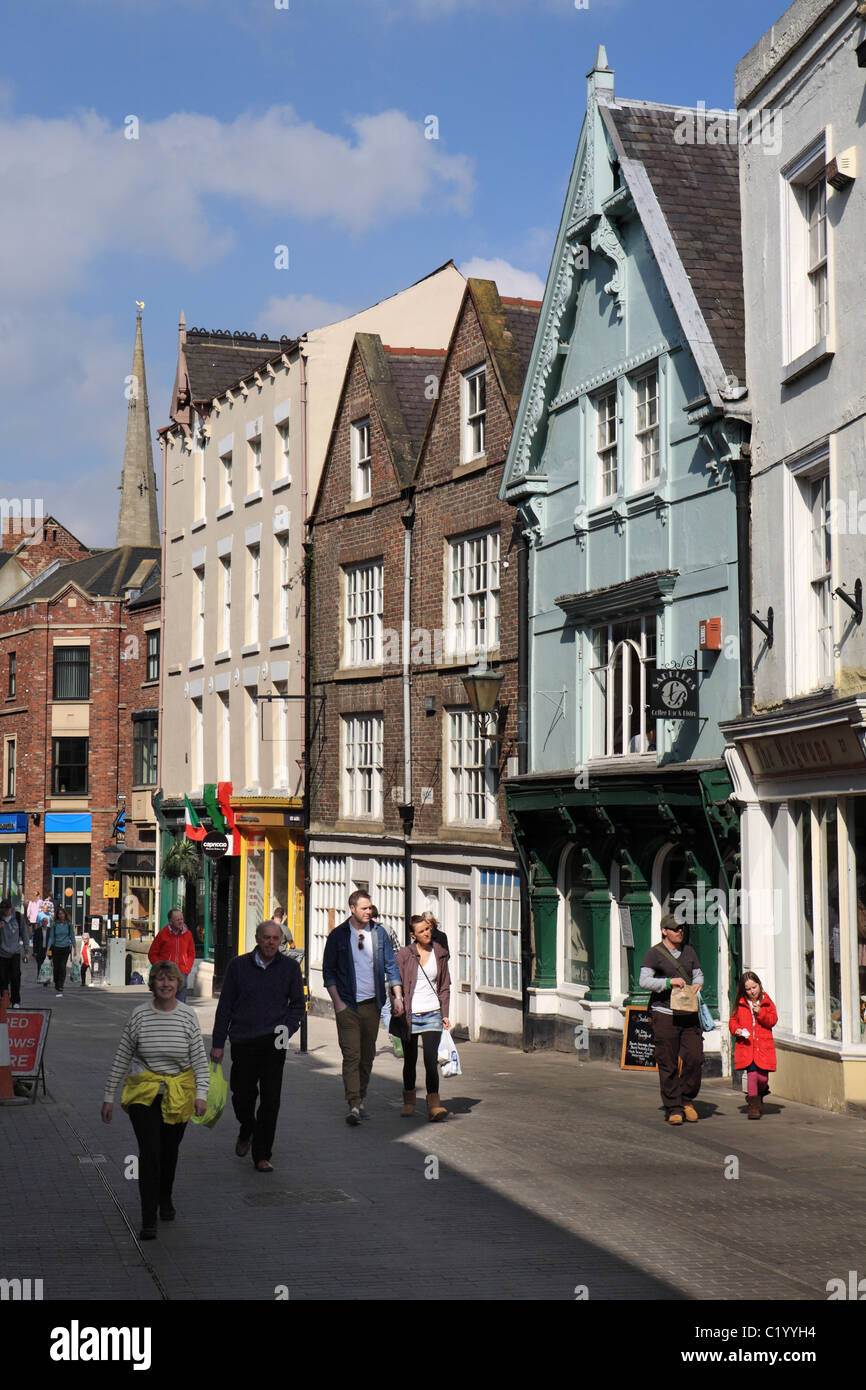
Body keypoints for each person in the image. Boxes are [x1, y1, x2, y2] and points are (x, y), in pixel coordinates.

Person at [102, 961, 209, 1239]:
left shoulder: (187, 1016)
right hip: (144, 1092)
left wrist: (201, 1095)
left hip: (178, 1092)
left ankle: (165, 1197)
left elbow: (199, 1057)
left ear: (178, 984)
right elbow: (122, 1056)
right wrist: (108, 1096)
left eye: (171, 980)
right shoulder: (138, 1015)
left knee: (169, 1152)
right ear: (152, 984)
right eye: (160, 979)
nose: (165, 984)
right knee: (149, 1153)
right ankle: (148, 1218)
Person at [210, 920, 304, 1172]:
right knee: (242, 1096)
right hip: (243, 1040)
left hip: (275, 1042)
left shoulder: (290, 968)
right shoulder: (238, 966)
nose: (271, 943)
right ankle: (247, 1128)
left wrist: (286, 1030)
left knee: (271, 1100)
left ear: (281, 941)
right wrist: (218, 1043)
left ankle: (262, 1153)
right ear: (257, 938)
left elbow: (297, 1005)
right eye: (266, 938)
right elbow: (225, 1007)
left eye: (276, 938)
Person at [322, 890, 404, 1125]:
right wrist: (337, 1003)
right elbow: (329, 972)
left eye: (370, 908)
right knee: (352, 1055)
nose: (369, 912)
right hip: (347, 1004)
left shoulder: (379, 934)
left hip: (373, 1003)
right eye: (364, 908)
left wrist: (397, 996)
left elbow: (391, 966)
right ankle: (354, 1104)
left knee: (367, 1056)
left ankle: (361, 1097)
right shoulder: (338, 936)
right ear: (352, 909)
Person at [639, 913, 704, 1125]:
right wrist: (668, 983)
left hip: (688, 1013)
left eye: (682, 928)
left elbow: (698, 974)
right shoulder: (654, 954)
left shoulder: (689, 951)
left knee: (695, 1057)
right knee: (667, 1061)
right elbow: (644, 981)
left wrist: (698, 983)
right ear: (664, 931)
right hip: (664, 1013)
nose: (680, 932)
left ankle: (686, 1099)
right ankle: (674, 1107)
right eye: (675, 928)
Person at [396, 915, 451, 1121]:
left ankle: (434, 1105)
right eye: (421, 931)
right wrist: (398, 1004)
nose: (427, 933)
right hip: (410, 1015)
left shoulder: (440, 953)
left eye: (428, 929)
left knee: (430, 1061)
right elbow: (396, 982)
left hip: (432, 1013)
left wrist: (445, 1014)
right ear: (413, 935)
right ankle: (409, 1101)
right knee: (410, 1061)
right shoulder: (404, 955)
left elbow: (445, 986)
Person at [729, 971, 778, 1119]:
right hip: (748, 1046)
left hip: (763, 1047)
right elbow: (733, 1020)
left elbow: (772, 1020)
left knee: (762, 1078)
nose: (752, 992)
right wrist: (736, 1029)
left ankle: (759, 1093)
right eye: (748, 989)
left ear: (759, 985)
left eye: (754, 987)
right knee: (751, 1074)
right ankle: (753, 1107)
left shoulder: (767, 1002)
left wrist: (761, 1012)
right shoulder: (741, 1003)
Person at [148, 909, 196, 1003]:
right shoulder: (162, 934)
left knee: (181, 1004)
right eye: (177, 919)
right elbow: (152, 954)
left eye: (182, 919)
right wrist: (160, 968)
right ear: (171, 921)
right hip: (165, 974)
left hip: (181, 973)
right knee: (165, 1002)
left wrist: (187, 969)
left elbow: (191, 953)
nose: (180, 921)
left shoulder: (188, 934)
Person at [0, 898, 29, 1007]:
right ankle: (4, 998)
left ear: (10, 908)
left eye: (7, 910)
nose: (5, 913)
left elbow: (24, 934)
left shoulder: (18, 917)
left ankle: (15, 1000)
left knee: (15, 977)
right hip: (2, 953)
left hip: (15, 952)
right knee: (2, 978)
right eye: (3, 911)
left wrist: (26, 951)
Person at [47, 907, 76, 997]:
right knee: (56, 967)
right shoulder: (55, 925)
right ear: (57, 915)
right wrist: (48, 949)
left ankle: (61, 985)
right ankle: (56, 982)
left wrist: (75, 949)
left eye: (62, 913)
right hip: (56, 948)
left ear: (65, 914)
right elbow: (51, 937)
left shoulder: (69, 925)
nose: (61, 915)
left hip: (65, 948)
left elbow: (72, 936)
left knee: (63, 967)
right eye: (59, 914)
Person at [31, 916, 50, 985]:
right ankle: (40, 978)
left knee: (47, 964)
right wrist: (34, 951)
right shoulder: (38, 930)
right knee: (40, 965)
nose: (44, 923)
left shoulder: (50, 930)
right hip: (39, 950)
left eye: (46, 921)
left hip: (47, 950)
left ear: (47, 923)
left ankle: (46, 980)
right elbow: (35, 942)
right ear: (41, 922)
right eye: (43, 921)